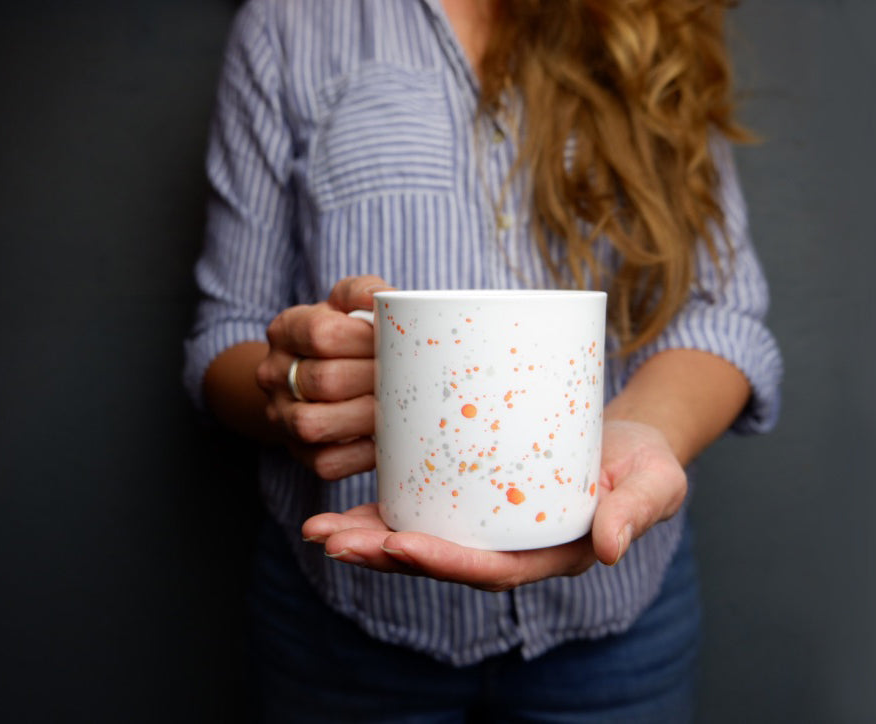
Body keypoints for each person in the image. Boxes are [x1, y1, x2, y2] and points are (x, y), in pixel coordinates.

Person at [184, 0, 782, 720]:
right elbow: (226, 333)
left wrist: (637, 435)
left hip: (616, 631)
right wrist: (293, 388)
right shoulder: (290, 23)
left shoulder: (651, 18)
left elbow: (722, 312)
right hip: (344, 629)